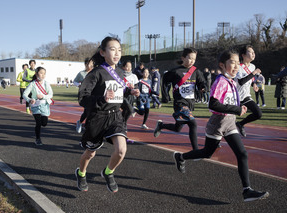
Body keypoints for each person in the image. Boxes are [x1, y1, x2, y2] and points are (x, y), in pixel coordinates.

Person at [174, 49, 269, 202]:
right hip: (218, 124)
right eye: (233, 62)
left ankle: (247, 191)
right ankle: (181, 156)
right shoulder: (220, 81)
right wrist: (237, 109)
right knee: (206, 153)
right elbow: (213, 104)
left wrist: (238, 108)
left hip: (230, 123)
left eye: (238, 63)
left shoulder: (231, 80)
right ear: (222, 65)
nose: (236, 66)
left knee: (242, 154)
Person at [75, 37, 140, 193]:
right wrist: (101, 99)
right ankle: (81, 173)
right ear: (102, 52)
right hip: (97, 118)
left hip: (115, 116)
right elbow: (82, 98)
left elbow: (118, 90)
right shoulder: (95, 73)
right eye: (112, 49)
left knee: (121, 150)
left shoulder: (119, 72)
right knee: (90, 154)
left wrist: (129, 91)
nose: (117, 53)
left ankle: (108, 172)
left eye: (119, 50)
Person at [154, 48, 205, 151]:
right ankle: (196, 151)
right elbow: (164, 81)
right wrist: (165, 96)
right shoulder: (175, 72)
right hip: (179, 103)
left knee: (178, 128)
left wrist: (202, 88)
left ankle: (161, 125)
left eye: (194, 59)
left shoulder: (196, 71)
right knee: (193, 124)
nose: (191, 61)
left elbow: (201, 82)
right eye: (189, 58)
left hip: (190, 103)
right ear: (183, 58)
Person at [235, 45, 262, 137]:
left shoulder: (252, 66)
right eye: (250, 52)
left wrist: (254, 84)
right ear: (243, 55)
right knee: (226, 121)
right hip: (235, 97)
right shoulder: (238, 66)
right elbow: (241, 81)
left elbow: (250, 79)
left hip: (246, 96)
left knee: (258, 114)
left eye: (254, 52)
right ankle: (216, 139)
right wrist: (253, 73)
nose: (253, 54)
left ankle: (240, 124)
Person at [23, 67, 53, 146]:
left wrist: (43, 96)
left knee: (44, 123)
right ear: (36, 74)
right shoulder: (32, 84)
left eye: (44, 73)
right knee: (38, 123)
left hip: (44, 106)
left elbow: (50, 94)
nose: (43, 75)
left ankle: (38, 136)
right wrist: (29, 100)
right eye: (41, 73)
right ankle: (38, 139)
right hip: (35, 106)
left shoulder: (46, 83)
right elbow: (24, 94)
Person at [74, 57, 94, 133]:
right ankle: (81, 123)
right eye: (90, 63)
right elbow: (75, 81)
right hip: (84, 95)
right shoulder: (81, 73)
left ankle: (83, 123)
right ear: (86, 64)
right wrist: (79, 85)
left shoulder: (95, 72)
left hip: (94, 94)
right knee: (87, 110)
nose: (91, 65)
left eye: (92, 63)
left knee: (91, 111)